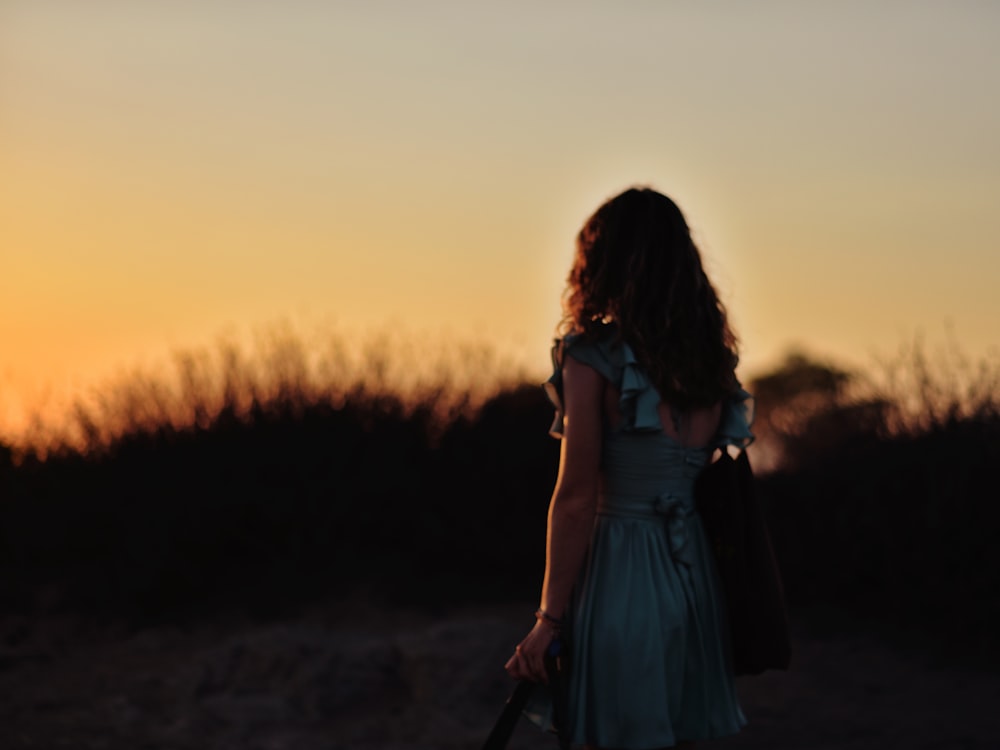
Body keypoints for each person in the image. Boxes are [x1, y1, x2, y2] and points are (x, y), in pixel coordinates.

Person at [504, 186, 753, 749]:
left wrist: (548, 621)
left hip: (622, 575)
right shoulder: (711, 361)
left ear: (602, 261)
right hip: (696, 577)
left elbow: (575, 498)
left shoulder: (592, 356)